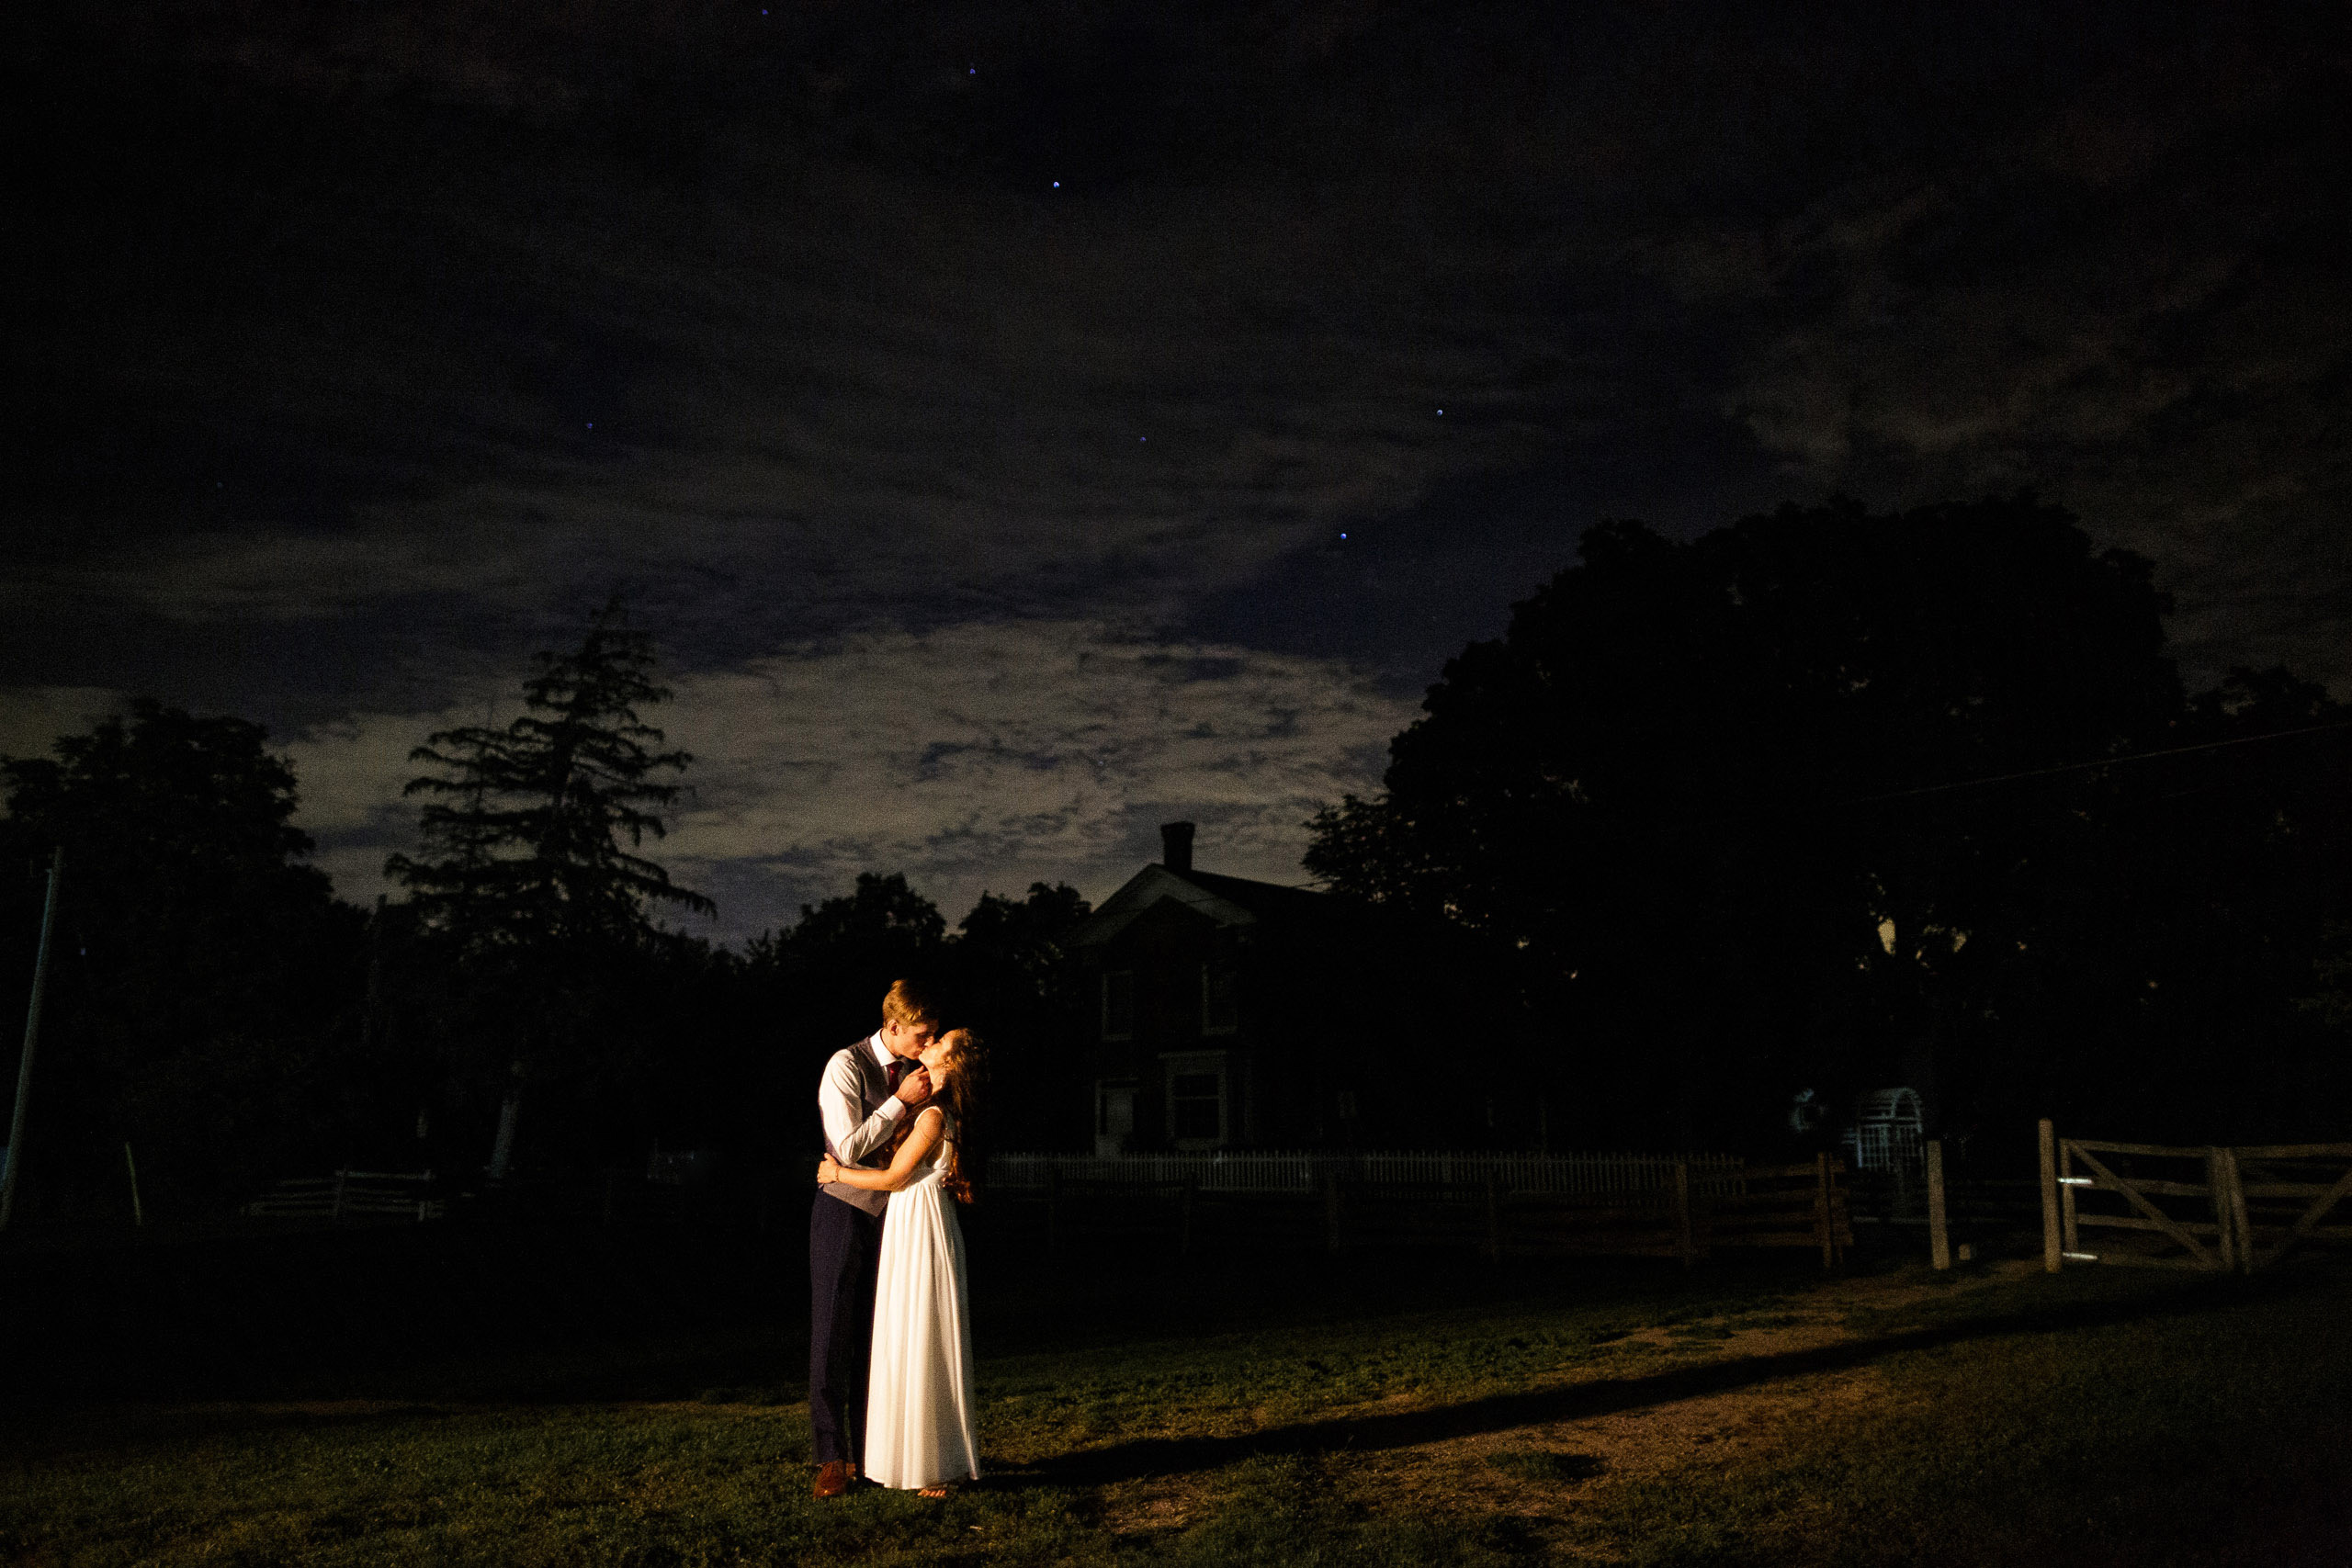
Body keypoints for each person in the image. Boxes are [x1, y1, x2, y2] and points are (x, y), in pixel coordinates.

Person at [817, 1027, 983, 1498]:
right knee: (915, 1339)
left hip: (918, 1226)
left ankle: (933, 1463)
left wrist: (836, 1172)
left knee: (922, 1339)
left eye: (938, 1044)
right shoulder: (932, 1108)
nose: (927, 1046)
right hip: (916, 1224)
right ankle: (915, 1455)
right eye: (926, 1037)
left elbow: (892, 1178)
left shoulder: (933, 1116)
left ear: (949, 1066)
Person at [808, 979, 939, 1500]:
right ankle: (831, 1458)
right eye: (921, 1035)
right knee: (832, 1335)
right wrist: (899, 1104)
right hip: (842, 1212)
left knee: (878, 1338)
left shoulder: (922, 1070)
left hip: (898, 1220)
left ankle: (874, 1454)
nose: (928, 1044)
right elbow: (846, 1149)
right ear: (892, 1027)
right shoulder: (846, 1064)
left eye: (932, 1035)